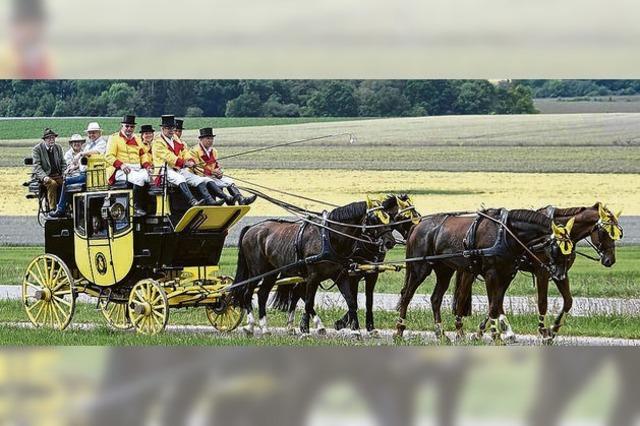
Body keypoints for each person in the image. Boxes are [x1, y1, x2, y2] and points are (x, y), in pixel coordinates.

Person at [48, 124, 107, 218]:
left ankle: (61, 209)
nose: (91, 135)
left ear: (99, 133)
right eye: (90, 133)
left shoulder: (101, 144)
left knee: (66, 181)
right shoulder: (88, 145)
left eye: (94, 132)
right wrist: (72, 167)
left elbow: (96, 152)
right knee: (66, 179)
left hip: (93, 176)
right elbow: (82, 162)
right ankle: (69, 207)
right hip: (85, 173)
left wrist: (80, 154)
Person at [152, 115, 209, 206]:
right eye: (168, 128)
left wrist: (190, 160)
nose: (171, 131)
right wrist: (184, 163)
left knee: (198, 179)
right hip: (164, 170)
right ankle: (192, 201)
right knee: (180, 178)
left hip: (178, 168)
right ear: (162, 129)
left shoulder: (175, 138)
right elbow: (169, 157)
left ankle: (209, 200)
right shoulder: (157, 142)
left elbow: (184, 151)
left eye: (172, 128)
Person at [190, 127, 256, 205]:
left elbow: (216, 165)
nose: (210, 141)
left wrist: (219, 172)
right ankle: (227, 198)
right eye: (208, 138)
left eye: (211, 139)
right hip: (201, 176)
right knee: (209, 180)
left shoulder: (214, 151)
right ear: (201, 139)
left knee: (229, 181)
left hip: (212, 176)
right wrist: (212, 172)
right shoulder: (194, 151)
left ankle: (241, 199)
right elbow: (196, 168)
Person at [105, 115, 152, 216]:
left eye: (132, 127)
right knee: (139, 179)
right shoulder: (114, 138)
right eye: (127, 126)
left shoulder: (137, 139)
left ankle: (150, 206)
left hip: (137, 168)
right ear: (122, 126)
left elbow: (143, 154)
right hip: (120, 170)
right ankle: (135, 207)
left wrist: (147, 166)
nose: (129, 129)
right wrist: (121, 165)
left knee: (152, 177)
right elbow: (109, 156)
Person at [32, 128, 66, 211]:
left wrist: (64, 173)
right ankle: (53, 209)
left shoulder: (58, 148)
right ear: (45, 140)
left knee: (66, 184)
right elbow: (37, 166)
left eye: (53, 138)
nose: (52, 140)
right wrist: (44, 177)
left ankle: (64, 207)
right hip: (46, 176)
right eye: (49, 138)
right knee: (52, 184)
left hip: (57, 175)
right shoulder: (37, 149)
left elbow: (63, 163)